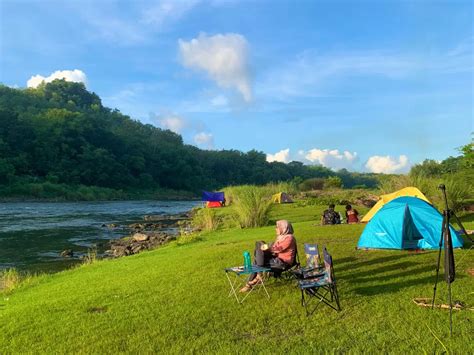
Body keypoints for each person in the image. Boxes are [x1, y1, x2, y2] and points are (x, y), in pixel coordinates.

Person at [239, 220, 297, 292]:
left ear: (284, 228)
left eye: (277, 227)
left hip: (282, 262)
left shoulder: (289, 238)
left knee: (257, 258)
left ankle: (255, 278)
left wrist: (267, 247)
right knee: (259, 245)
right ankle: (258, 275)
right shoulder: (281, 237)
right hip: (276, 259)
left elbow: (277, 249)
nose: (275, 229)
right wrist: (265, 247)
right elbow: (273, 249)